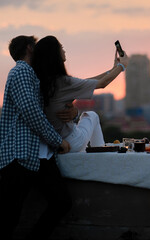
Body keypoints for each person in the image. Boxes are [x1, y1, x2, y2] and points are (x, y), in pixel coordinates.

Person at [0, 35, 72, 239]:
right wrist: (58, 141)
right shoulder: (21, 71)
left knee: (61, 201)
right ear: (31, 48)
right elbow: (31, 111)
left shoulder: (31, 74)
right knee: (8, 218)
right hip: (19, 156)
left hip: (35, 156)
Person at [32, 35, 129, 152]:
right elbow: (102, 84)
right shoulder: (63, 82)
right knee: (92, 115)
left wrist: (113, 69)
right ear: (55, 54)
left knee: (87, 116)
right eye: (61, 47)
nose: (64, 50)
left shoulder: (46, 81)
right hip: (72, 141)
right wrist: (122, 66)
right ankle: (102, 155)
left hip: (53, 142)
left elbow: (89, 81)